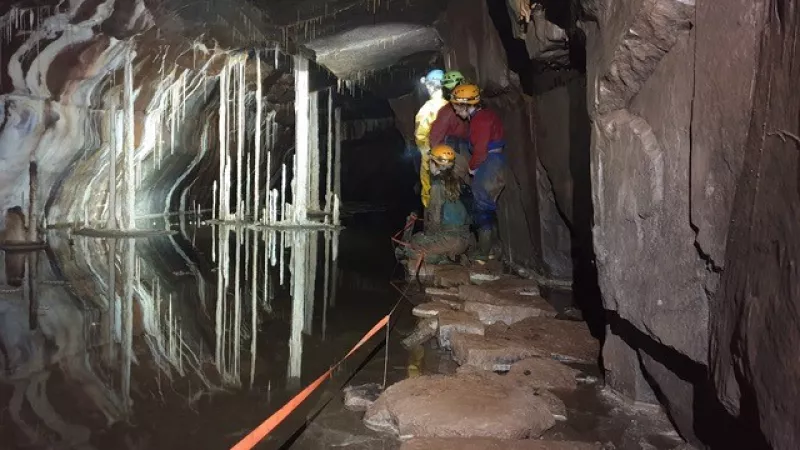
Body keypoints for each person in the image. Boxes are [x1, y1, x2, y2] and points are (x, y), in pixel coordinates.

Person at [449, 84, 507, 261]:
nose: (457, 112)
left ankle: (484, 251)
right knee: (486, 206)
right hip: (493, 161)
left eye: (458, 108)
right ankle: (492, 249)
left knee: (482, 206)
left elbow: (480, 149)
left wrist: (472, 168)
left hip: (489, 163)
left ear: (466, 105)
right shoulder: (484, 116)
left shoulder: (480, 120)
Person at [397, 144, 472, 268]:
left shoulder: (437, 186)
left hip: (450, 240)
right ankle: (451, 255)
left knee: (415, 242)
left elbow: (434, 219)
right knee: (420, 239)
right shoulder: (456, 181)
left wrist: (426, 238)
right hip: (464, 238)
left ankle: (444, 258)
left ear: (435, 165)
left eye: (430, 161)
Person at [414, 69, 447, 208]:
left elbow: (420, 135)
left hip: (432, 155)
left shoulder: (427, 109)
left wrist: (425, 153)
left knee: (430, 189)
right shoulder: (450, 106)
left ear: (431, 86)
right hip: (452, 155)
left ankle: (433, 221)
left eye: (427, 85)